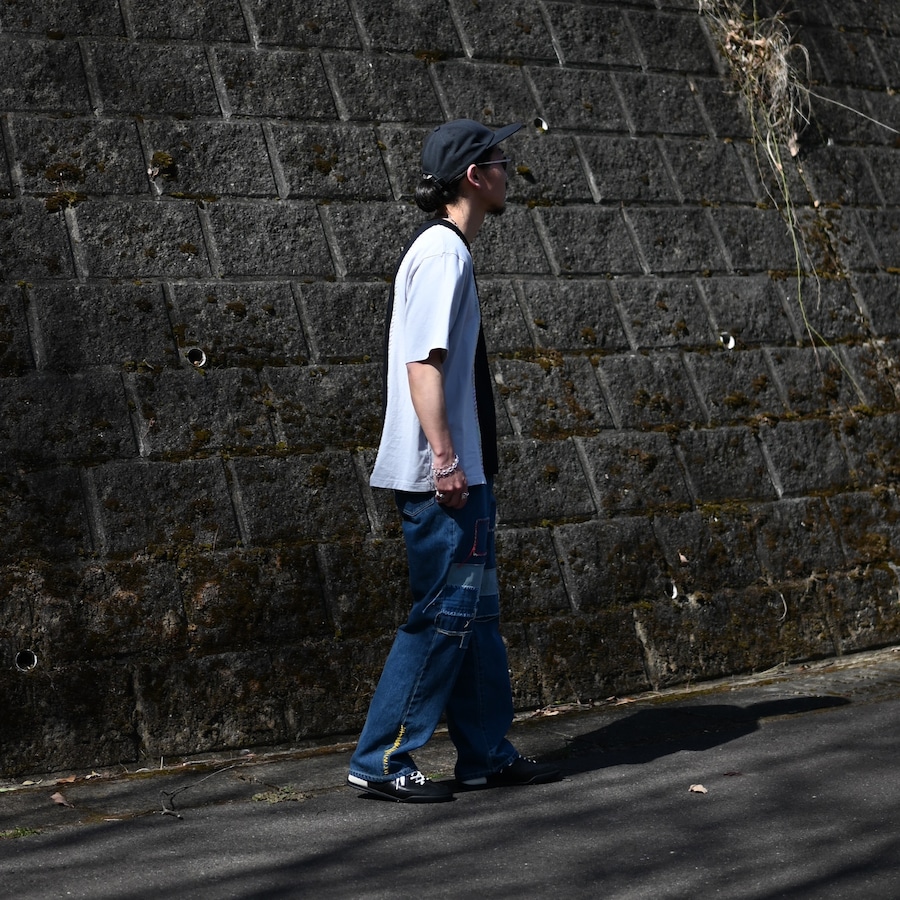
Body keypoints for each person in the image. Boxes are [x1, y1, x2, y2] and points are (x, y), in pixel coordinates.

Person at [347, 119, 561, 802]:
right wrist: (445, 461)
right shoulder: (443, 254)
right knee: (443, 616)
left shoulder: (448, 250)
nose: (509, 170)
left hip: (462, 475)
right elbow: (424, 365)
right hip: (444, 479)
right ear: (474, 176)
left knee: (475, 619)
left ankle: (485, 753)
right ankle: (382, 758)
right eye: (501, 160)